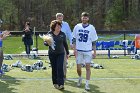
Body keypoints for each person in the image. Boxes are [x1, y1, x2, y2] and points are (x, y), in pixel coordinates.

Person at [72, 12, 98, 91]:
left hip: (88, 50)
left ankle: (87, 84)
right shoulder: (77, 26)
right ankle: (80, 77)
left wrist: (94, 52)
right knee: (78, 68)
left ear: (88, 19)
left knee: (88, 67)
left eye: (86, 17)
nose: (84, 19)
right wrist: (74, 49)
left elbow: (93, 41)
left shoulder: (91, 27)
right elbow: (74, 39)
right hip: (79, 50)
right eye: (83, 17)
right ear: (81, 18)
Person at [44, 20, 69, 90]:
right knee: (54, 68)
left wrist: (67, 52)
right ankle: (55, 83)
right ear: (54, 27)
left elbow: (65, 44)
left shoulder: (62, 34)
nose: (59, 27)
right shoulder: (49, 33)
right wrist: (47, 43)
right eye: (57, 26)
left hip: (61, 53)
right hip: (52, 54)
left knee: (60, 68)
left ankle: (61, 84)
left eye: (60, 26)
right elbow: (45, 43)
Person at [56, 13, 72, 79]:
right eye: (58, 17)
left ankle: (64, 75)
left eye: (61, 17)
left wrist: (71, 42)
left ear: (63, 17)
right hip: (56, 45)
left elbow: (69, 34)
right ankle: (57, 75)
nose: (60, 18)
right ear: (56, 18)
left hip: (63, 45)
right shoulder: (54, 24)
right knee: (56, 61)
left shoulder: (66, 24)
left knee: (64, 61)